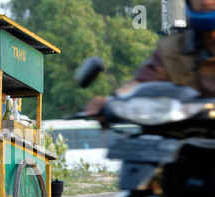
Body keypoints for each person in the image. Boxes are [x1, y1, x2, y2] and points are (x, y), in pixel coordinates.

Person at [87, 0, 215, 118]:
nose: (204, 1)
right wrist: (111, 102)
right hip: (183, 137)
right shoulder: (172, 48)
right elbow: (140, 84)